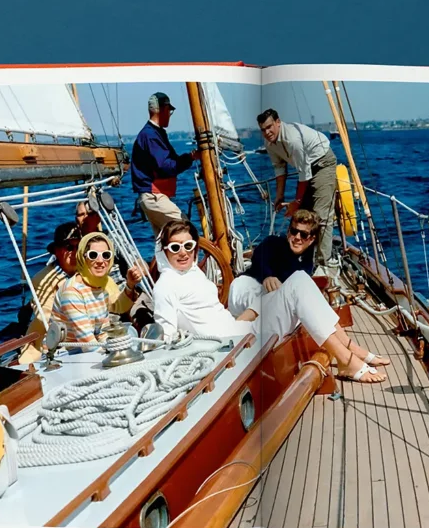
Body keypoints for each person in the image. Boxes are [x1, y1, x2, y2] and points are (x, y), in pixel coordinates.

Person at [151, 220, 388, 383]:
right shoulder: (166, 286)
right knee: (297, 285)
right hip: (233, 346)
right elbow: (168, 337)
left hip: (240, 331)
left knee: (301, 279)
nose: (183, 252)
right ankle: (346, 359)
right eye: (174, 247)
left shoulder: (193, 274)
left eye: (188, 245)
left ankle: (350, 350)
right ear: (164, 251)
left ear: (195, 247)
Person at [257, 108, 339, 268]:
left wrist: (297, 201)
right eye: (263, 129)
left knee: (321, 215)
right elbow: (280, 168)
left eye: (269, 127)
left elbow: (304, 173)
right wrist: (279, 197)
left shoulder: (292, 139)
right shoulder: (269, 143)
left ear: (278, 122)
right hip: (307, 168)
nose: (267, 132)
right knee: (303, 215)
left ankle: (323, 262)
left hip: (322, 163)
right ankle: (300, 256)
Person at [49, 232, 146, 352]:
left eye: (106, 255)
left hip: (92, 347)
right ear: (82, 257)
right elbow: (88, 345)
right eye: (93, 255)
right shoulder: (72, 291)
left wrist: (130, 285)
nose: (100, 261)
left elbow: (102, 333)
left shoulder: (100, 284)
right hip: (69, 353)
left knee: (130, 333)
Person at [131, 92, 200, 238]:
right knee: (186, 231)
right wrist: (190, 159)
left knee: (164, 242)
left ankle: (164, 261)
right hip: (153, 197)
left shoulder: (155, 133)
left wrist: (190, 157)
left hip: (153, 197)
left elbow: (171, 162)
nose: (170, 114)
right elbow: (166, 167)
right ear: (162, 110)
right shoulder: (150, 135)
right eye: (169, 111)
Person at [17, 223, 79, 364]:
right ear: (57, 251)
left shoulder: (86, 272)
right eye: (69, 247)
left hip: (83, 339)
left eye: (78, 247)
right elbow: (46, 319)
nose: (74, 252)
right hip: (47, 348)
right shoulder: (42, 280)